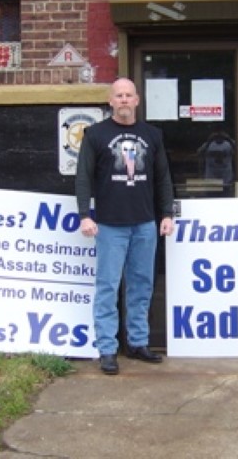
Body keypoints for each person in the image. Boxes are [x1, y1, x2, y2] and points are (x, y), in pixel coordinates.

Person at [75, 77, 175, 375]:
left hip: (145, 223)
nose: (124, 100)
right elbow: (83, 177)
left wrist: (167, 213)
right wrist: (84, 214)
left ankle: (137, 343)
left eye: (128, 95)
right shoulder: (95, 134)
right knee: (107, 287)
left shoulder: (152, 135)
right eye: (118, 95)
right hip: (109, 225)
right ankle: (107, 349)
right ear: (110, 100)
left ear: (137, 100)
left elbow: (163, 177)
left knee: (141, 286)